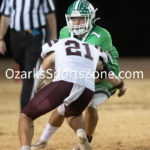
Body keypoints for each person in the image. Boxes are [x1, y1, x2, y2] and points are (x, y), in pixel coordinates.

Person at [31, 0, 124, 149]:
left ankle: (86, 140)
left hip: (104, 75)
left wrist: (120, 84)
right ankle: (43, 140)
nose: (76, 22)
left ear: (91, 18)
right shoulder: (65, 32)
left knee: (91, 103)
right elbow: (60, 59)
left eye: (81, 18)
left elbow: (100, 68)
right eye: (73, 18)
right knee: (63, 106)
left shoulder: (102, 35)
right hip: (80, 73)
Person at [18, 37, 126, 150]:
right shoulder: (94, 49)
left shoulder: (59, 43)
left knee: (26, 116)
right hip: (88, 88)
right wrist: (121, 86)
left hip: (65, 82)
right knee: (73, 114)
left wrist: (38, 84)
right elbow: (106, 73)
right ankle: (81, 133)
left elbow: (48, 61)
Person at [0, 0, 57, 110]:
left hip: (35, 35)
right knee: (24, 68)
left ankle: (26, 109)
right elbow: (5, 16)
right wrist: (1, 38)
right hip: (16, 36)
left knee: (30, 72)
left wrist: (53, 37)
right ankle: (32, 87)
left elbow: (50, 15)